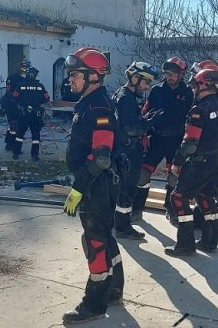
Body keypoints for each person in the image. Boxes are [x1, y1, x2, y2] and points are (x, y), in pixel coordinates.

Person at [61, 47, 123, 324]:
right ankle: (114, 290)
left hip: (96, 185)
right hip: (97, 184)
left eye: (74, 74)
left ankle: (95, 304)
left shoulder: (99, 108)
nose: (70, 79)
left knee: (95, 241)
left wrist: (79, 188)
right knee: (105, 237)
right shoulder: (90, 103)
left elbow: (100, 158)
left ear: (93, 77)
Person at [164, 68, 218, 257]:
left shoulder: (199, 110)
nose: (192, 88)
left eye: (194, 84)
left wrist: (177, 162)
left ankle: (185, 245)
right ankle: (209, 241)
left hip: (200, 161)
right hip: (216, 159)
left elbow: (190, 142)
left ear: (203, 85)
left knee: (178, 197)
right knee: (205, 195)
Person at [131, 56, 194, 225]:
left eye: (173, 73)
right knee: (143, 175)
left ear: (181, 74)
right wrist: (143, 134)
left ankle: (170, 208)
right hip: (156, 139)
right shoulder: (156, 91)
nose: (169, 77)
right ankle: (137, 209)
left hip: (176, 141)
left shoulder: (188, 93)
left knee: (173, 176)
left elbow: (192, 119)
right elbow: (144, 112)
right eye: (167, 73)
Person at [111, 61, 159, 240]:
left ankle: (117, 222)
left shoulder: (123, 95)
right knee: (128, 189)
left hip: (125, 149)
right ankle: (123, 228)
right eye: (145, 82)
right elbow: (131, 129)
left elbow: (128, 121)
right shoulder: (126, 98)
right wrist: (149, 122)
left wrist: (145, 118)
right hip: (128, 150)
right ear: (135, 78)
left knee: (121, 188)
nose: (146, 87)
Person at [191, 60, 218, 237]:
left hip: (216, 152)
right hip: (213, 152)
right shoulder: (212, 100)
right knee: (205, 188)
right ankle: (203, 219)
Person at [12, 66, 50, 161]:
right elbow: (47, 98)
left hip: (24, 113)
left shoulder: (20, 86)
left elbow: (13, 98)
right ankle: (34, 155)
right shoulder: (40, 86)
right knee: (36, 135)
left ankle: (16, 153)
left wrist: (20, 105)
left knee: (20, 134)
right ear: (35, 75)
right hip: (35, 113)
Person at [1, 59, 30, 151]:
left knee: (18, 126)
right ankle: (11, 144)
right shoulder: (12, 78)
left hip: (21, 105)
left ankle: (10, 143)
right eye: (24, 68)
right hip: (10, 103)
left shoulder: (27, 79)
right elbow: (9, 92)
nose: (26, 70)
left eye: (27, 68)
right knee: (14, 125)